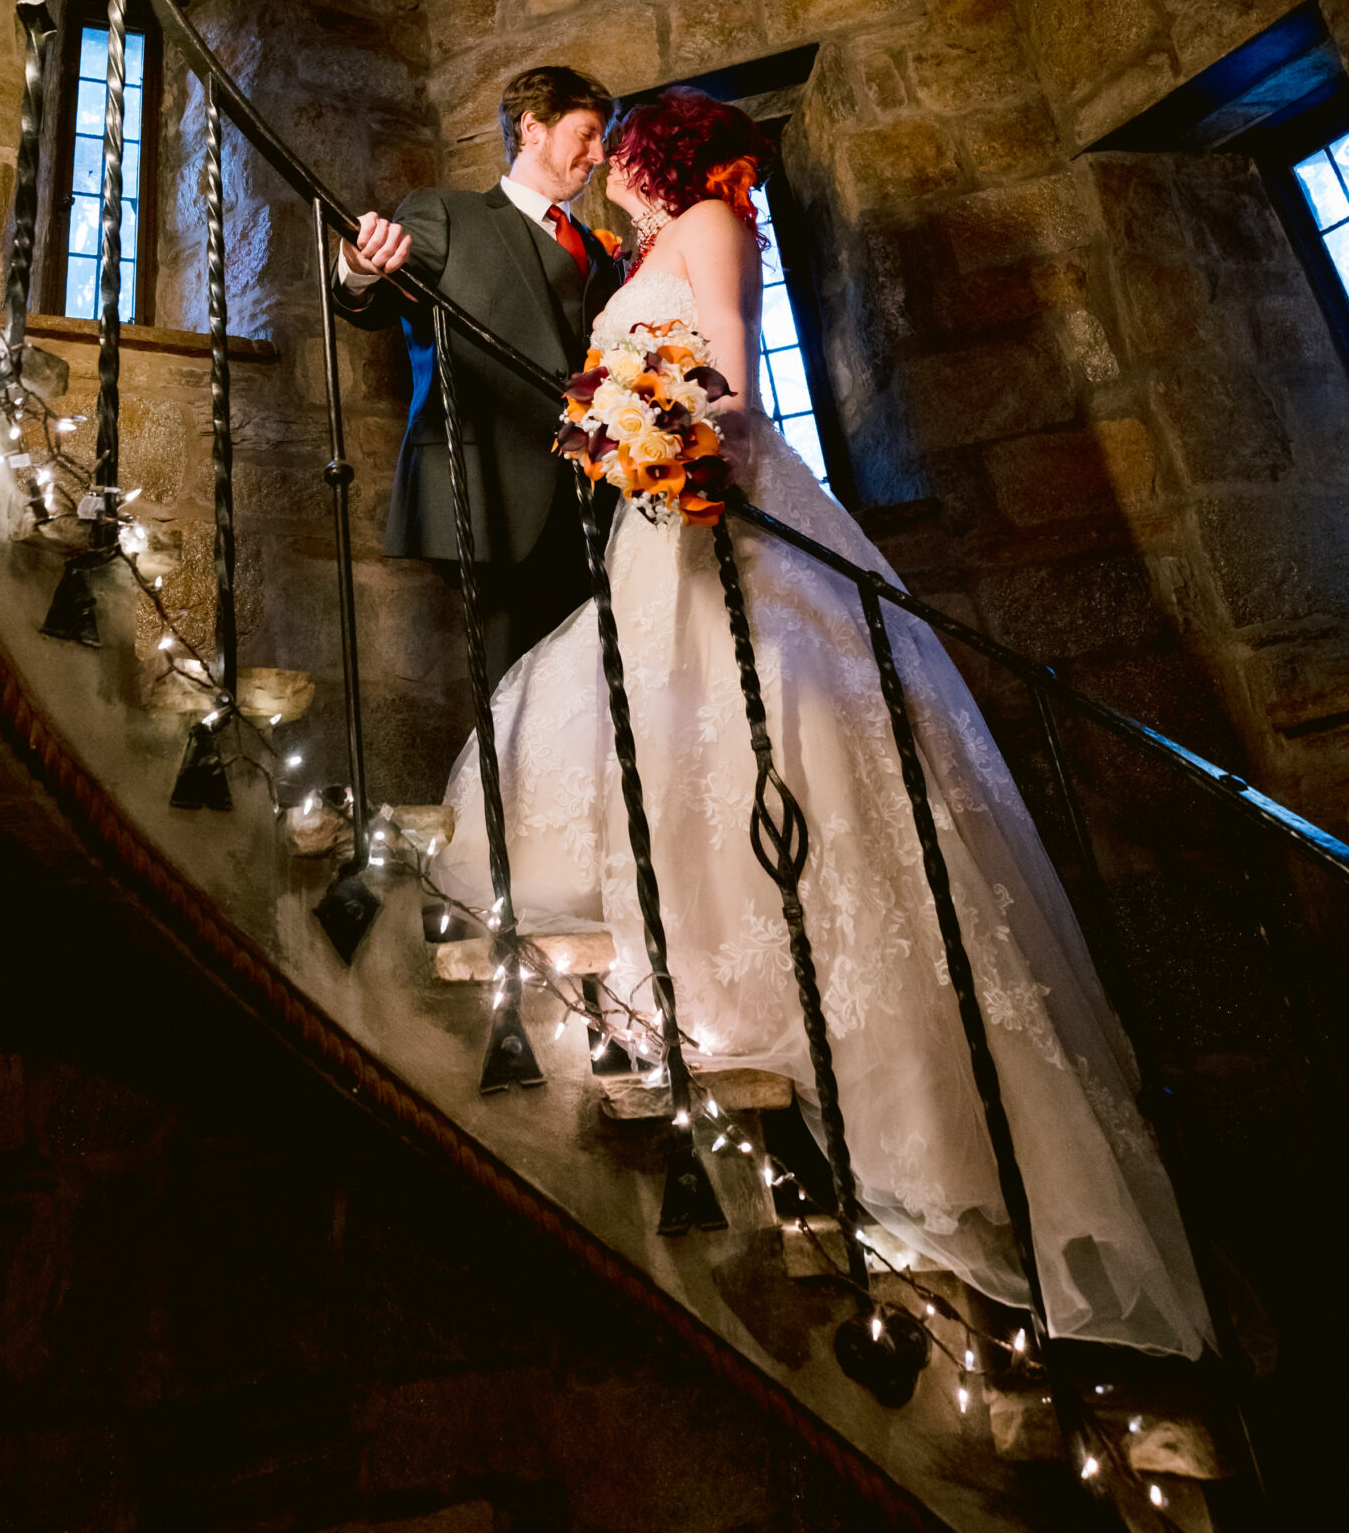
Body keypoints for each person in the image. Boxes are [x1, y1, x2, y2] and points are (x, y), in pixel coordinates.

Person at [433, 86, 1212, 1361]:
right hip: (651, 533)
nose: (607, 162)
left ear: (657, 151)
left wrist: (660, 438)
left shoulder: (712, 227)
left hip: (715, 517)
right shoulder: (635, 254)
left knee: (784, 748)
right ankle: (696, 991)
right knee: (658, 746)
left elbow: (731, 391)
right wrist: (615, 431)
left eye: (621, 142)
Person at [334, 64, 622, 686]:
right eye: (587, 133)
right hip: (489, 489)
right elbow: (376, 296)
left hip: (598, 500)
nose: (599, 154)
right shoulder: (447, 213)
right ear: (533, 129)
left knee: (597, 694)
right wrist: (360, 266)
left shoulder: (599, 252)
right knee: (515, 693)